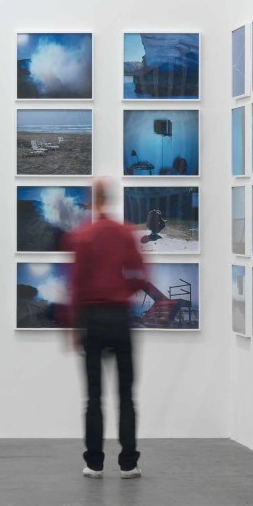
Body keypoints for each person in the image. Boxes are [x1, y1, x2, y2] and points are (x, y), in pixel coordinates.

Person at [61, 178, 148, 479]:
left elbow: (75, 286)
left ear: (91, 200)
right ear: (108, 199)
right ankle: (128, 463)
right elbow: (141, 272)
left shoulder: (82, 236)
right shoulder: (125, 234)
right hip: (119, 318)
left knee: (94, 396)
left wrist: (73, 328)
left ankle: (94, 463)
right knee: (126, 395)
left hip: (92, 319)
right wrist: (124, 291)